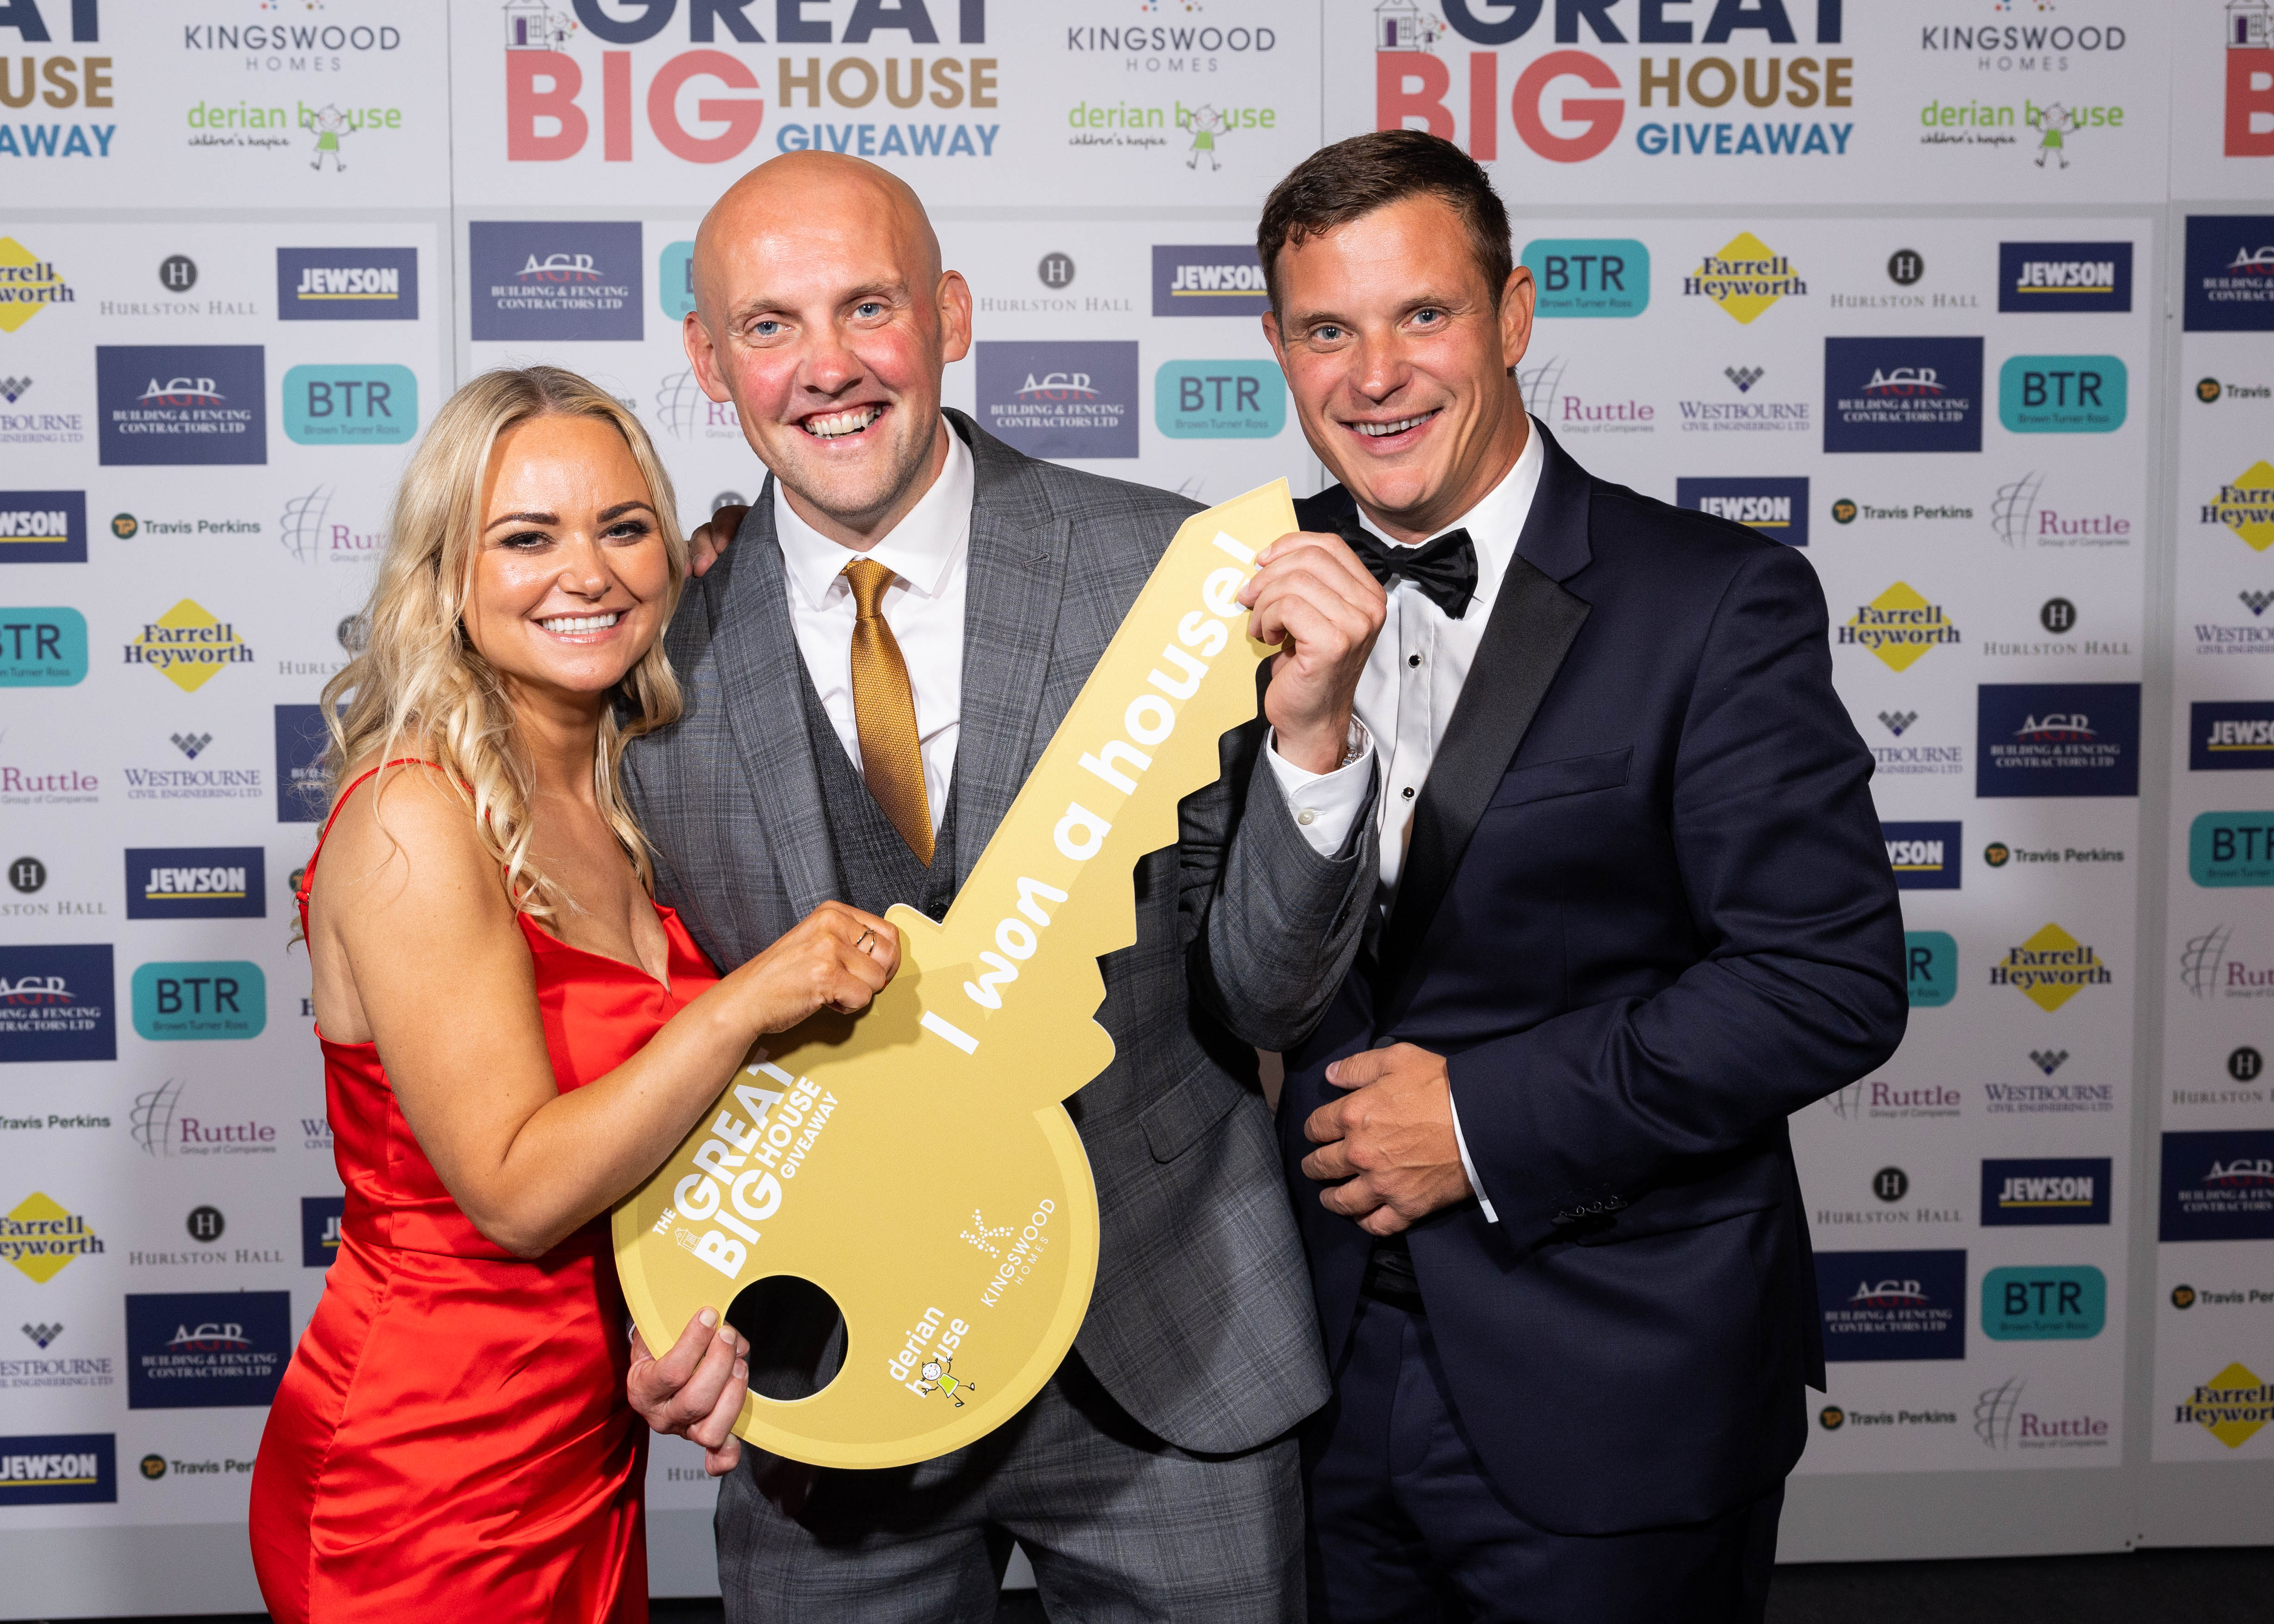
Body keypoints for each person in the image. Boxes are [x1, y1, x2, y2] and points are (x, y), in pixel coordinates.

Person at [622, 150, 1389, 1621]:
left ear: (952, 315)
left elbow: (1269, 994)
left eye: (868, 306)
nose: (827, 367)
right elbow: (618, 1046)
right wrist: (656, 1306)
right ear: (709, 360)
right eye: (770, 325)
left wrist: (1311, 740)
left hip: (1168, 1352)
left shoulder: (1166, 575)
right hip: (829, 1388)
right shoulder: (647, 664)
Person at [1255, 130, 1906, 1620]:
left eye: (1422, 314)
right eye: (1326, 329)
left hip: (1617, 1371)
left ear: (1513, 314)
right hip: (1308, 1374)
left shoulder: (1713, 601)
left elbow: (1824, 980)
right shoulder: (1227, 594)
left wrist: (1477, 1119)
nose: (1374, 375)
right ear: (1278, 348)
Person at [248, 366, 903, 1624]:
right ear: (447, 572)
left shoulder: (624, 789)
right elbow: (515, 1190)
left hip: (586, 1447)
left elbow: (647, 1148)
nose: (587, 573)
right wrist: (741, 1003)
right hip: (422, 1470)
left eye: (622, 526)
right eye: (527, 538)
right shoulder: (414, 814)